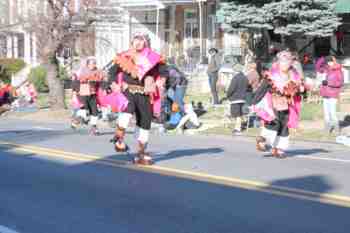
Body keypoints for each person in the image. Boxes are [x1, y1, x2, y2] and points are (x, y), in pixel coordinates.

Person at [108, 32, 168, 166]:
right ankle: (119, 138)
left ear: (146, 42)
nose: (138, 43)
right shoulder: (125, 56)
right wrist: (113, 84)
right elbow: (112, 72)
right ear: (132, 42)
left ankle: (141, 154)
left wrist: (161, 81)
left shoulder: (153, 58)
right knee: (128, 111)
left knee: (145, 123)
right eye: (136, 40)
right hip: (128, 89)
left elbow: (164, 71)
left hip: (145, 93)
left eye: (141, 40)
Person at [252, 50, 305, 158]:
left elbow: (298, 89)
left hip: (286, 104)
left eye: (287, 61)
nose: (285, 64)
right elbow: (262, 89)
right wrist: (254, 103)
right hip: (272, 103)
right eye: (283, 61)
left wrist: (302, 89)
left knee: (284, 126)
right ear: (279, 62)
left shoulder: (294, 74)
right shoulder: (272, 74)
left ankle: (278, 149)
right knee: (274, 123)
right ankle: (263, 140)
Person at [71, 57, 104, 135]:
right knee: (84, 112)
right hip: (83, 94)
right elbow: (75, 82)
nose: (93, 65)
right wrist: (75, 92)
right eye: (92, 63)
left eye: (95, 63)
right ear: (88, 64)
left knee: (95, 112)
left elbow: (100, 82)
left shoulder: (97, 72)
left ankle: (94, 128)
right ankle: (76, 120)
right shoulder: (82, 71)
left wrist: (105, 88)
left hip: (92, 94)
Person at [320, 56, 344, 134]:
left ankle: (337, 129)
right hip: (325, 93)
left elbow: (340, 83)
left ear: (334, 61)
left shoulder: (338, 70)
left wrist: (329, 83)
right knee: (326, 112)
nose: (329, 63)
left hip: (333, 94)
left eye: (330, 61)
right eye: (327, 62)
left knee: (332, 112)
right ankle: (327, 128)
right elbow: (318, 66)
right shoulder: (326, 70)